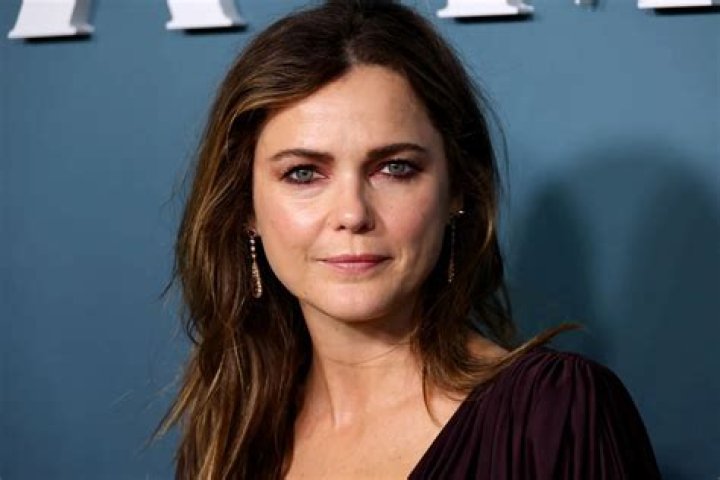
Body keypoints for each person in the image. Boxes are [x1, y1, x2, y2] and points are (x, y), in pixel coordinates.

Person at [160, 1, 661, 478]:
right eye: (304, 173)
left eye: (394, 168)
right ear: (245, 207)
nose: (352, 214)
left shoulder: (554, 418)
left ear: (457, 190)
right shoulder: (230, 439)